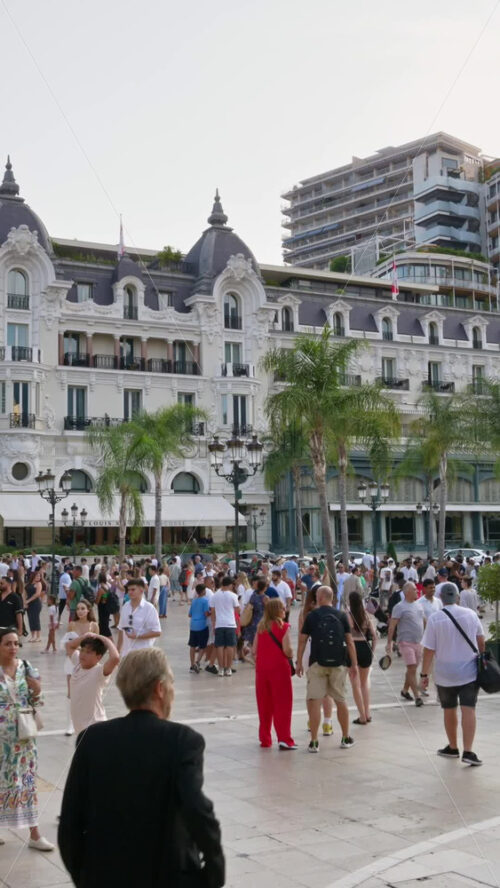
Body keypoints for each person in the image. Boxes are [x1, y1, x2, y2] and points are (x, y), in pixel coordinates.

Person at [58, 647, 225, 887]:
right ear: (160, 689)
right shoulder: (182, 741)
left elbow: (71, 821)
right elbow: (198, 810)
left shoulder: (93, 739)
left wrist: (84, 876)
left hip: (104, 876)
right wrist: (213, 875)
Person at [0, 627, 54, 850]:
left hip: (24, 737)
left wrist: (38, 689)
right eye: (8, 643)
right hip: (2, 739)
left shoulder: (26, 668)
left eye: (16, 643)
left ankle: (34, 834)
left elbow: (37, 700)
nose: (13, 648)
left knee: (28, 782)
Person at [421, 583, 485, 766]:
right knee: (468, 709)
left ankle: (452, 746)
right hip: (469, 672)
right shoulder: (471, 615)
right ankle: (469, 751)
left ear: (440, 597)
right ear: (458, 597)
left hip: (444, 674)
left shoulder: (435, 618)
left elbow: (429, 650)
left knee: (449, 709)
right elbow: (481, 642)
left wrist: (424, 674)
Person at [296, 586, 357, 753]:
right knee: (340, 700)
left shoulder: (312, 616)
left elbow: (302, 640)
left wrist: (299, 662)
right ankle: (345, 737)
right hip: (338, 664)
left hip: (317, 663)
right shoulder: (342, 616)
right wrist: (354, 664)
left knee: (314, 701)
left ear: (321, 597)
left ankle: (314, 741)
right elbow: (350, 642)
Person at [253, 598, 297, 750]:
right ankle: (284, 738)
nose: (285, 611)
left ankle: (265, 738)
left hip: (262, 670)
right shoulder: (283, 626)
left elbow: (254, 650)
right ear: (277, 611)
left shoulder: (260, 627)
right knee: (282, 704)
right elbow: (287, 649)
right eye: (283, 609)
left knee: (264, 704)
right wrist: (292, 655)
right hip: (279, 669)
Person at [65, 633, 120, 735]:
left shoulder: (99, 671)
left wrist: (104, 639)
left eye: (89, 652)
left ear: (98, 657)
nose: (83, 654)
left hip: (95, 726)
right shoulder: (78, 664)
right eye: (82, 650)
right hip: (80, 728)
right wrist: (85, 636)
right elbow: (69, 646)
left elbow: (115, 658)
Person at [62, 600, 99, 736]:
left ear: (88, 610)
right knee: (71, 691)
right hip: (72, 661)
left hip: (88, 662)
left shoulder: (94, 626)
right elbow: (67, 643)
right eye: (78, 609)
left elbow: (97, 645)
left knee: (88, 692)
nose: (80, 611)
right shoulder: (72, 625)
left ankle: (88, 719)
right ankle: (70, 723)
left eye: (83, 608)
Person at [386, 581, 425, 706]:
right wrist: (389, 643)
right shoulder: (399, 607)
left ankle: (404, 690)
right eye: (414, 589)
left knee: (412, 670)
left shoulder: (418, 605)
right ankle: (417, 696)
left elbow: (423, 621)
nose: (417, 591)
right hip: (405, 642)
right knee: (412, 668)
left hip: (418, 642)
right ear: (407, 592)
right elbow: (392, 626)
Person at [347, 591, 376, 725]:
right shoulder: (366, 615)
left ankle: (362, 715)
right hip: (365, 647)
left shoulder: (348, 616)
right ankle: (368, 713)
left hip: (353, 647)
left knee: (355, 684)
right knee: (364, 683)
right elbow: (374, 636)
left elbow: (346, 636)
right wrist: (372, 651)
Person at [117, 578, 161, 658]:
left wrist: (138, 636)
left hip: (142, 655)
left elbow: (157, 632)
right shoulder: (125, 606)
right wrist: (118, 650)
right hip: (126, 655)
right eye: (129, 590)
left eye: (133, 589)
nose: (130, 592)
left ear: (141, 590)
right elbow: (121, 629)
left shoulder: (149, 608)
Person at [211, 576, 239, 677]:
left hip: (219, 624)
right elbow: (237, 610)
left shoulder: (215, 595)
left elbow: (212, 612)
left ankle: (221, 668)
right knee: (230, 646)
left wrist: (214, 624)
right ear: (230, 585)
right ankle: (228, 668)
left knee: (220, 646)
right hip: (230, 624)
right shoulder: (233, 596)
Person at [188, 584, 211, 672]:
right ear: (203, 591)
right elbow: (206, 613)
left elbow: (190, 614)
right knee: (203, 645)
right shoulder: (205, 601)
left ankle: (192, 664)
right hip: (202, 625)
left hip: (193, 625)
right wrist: (211, 613)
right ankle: (197, 662)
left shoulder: (194, 601)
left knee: (192, 645)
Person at [25, 569, 43, 642]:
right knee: (30, 619)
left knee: (36, 619)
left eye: (39, 576)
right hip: (29, 603)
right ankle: (33, 636)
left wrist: (28, 601)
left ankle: (38, 636)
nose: (38, 577)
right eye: (37, 576)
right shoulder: (29, 584)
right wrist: (24, 602)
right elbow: (24, 593)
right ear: (33, 576)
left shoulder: (39, 584)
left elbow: (37, 594)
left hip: (36, 603)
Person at [95, 571, 111, 637]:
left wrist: (94, 599)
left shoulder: (101, 589)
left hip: (102, 608)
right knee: (104, 624)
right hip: (107, 607)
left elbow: (97, 601)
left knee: (103, 625)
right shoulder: (107, 586)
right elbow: (105, 597)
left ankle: (111, 641)